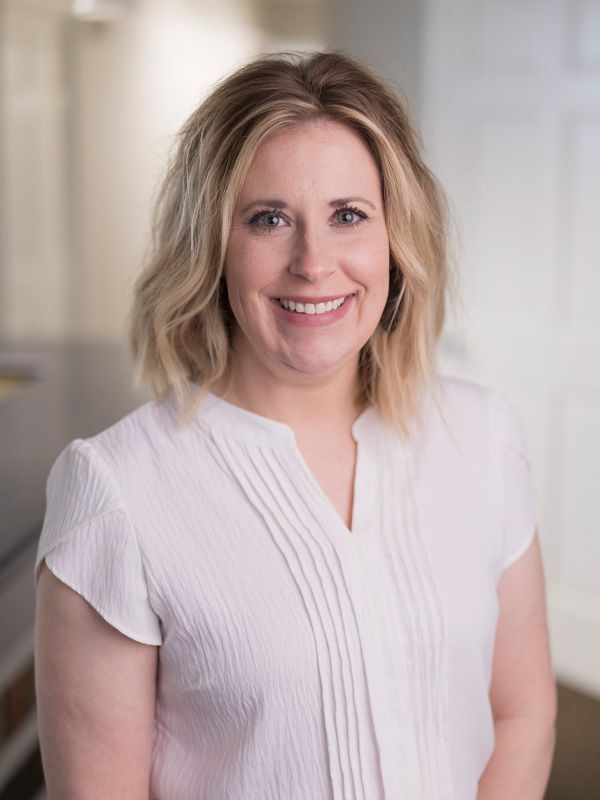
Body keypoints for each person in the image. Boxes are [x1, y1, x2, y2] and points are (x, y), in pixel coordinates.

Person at [33, 50, 556, 799]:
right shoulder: (118, 492)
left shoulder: (484, 439)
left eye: (348, 216)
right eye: (269, 219)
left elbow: (520, 712)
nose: (314, 263)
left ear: (395, 239)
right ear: (213, 247)